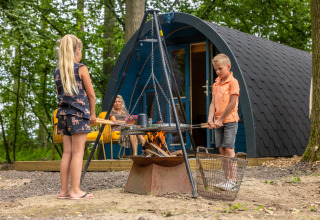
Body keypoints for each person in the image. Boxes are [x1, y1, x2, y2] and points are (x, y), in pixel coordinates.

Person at [54, 34, 96, 199]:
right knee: (78, 152)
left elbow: (60, 94)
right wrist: (92, 113)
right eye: (80, 50)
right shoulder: (80, 68)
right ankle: (76, 191)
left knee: (67, 153)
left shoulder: (57, 72)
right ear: (77, 50)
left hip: (63, 115)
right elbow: (91, 95)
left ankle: (63, 191)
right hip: (79, 115)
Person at [207, 53, 239, 191]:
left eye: (220, 68)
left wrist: (220, 119)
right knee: (221, 149)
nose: (218, 71)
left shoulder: (233, 82)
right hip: (218, 122)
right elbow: (213, 103)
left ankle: (233, 181)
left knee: (229, 148)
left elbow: (232, 103)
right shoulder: (216, 84)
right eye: (215, 69)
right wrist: (210, 118)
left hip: (230, 121)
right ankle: (226, 180)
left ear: (228, 66)